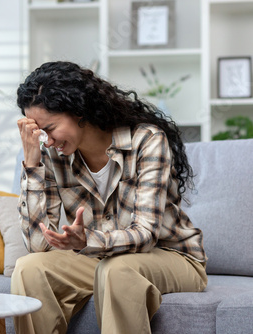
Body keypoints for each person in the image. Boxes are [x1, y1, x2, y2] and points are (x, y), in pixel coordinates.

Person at [12, 61, 207, 334]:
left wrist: (86, 241)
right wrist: (32, 164)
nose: (47, 140)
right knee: (28, 268)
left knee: (117, 270)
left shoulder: (146, 141)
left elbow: (145, 234)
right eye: (40, 132)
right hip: (102, 258)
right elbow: (37, 246)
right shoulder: (51, 154)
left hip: (169, 256)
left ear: (79, 112)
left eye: (51, 127)